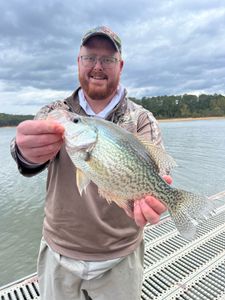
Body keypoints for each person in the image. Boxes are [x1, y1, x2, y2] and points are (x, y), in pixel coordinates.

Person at [11, 26, 172, 300]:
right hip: (58, 254)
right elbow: (28, 159)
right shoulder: (57, 113)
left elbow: (159, 173)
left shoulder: (142, 119)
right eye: (89, 57)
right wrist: (25, 154)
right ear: (78, 62)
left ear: (120, 66)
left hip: (120, 258)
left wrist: (160, 199)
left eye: (108, 59)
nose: (98, 66)